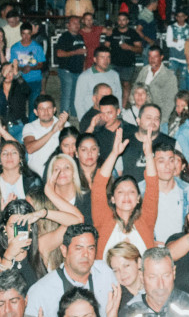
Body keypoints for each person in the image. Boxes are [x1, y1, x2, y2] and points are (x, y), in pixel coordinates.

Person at [25, 224, 118, 317]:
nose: (86, 254)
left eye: (91, 248)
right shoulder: (41, 291)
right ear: (64, 250)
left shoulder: (106, 273)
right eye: (79, 248)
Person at [92, 128, 158, 259]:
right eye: (120, 192)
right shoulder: (104, 219)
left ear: (138, 198)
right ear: (113, 199)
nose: (126, 196)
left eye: (132, 192)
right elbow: (98, 185)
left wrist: (149, 154)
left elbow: (153, 186)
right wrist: (114, 154)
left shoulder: (146, 219)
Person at [120, 247, 189, 316]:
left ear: (174, 273)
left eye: (166, 275)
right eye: (153, 277)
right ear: (141, 277)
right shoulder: (130, 311)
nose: (161, 285)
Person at [23, 95, 70, 176]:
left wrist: (62, 129)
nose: (46, 112)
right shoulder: (29, 127)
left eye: (49, 108)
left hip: (60, 173)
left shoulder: (65, 125)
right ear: (35, 112)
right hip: (36, 175)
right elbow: (30, 148)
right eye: (42, 109)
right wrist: (52, 131)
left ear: (54, 110)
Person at [75, 47, 122, 123]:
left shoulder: (114, 75)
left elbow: (118, 97)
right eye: (102, 57)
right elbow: (79, 101)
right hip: (93, 118)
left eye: (108, 57)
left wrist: (118, 116)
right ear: (95, 59)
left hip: (110, 119)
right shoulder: (85, 76)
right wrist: (83, 121)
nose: (106, 60)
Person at [9, 23, 45, 119]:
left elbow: (41, 64)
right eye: (24, 34)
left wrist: (31, 68)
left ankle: (31, 126)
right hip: (20, 81)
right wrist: (22, 68)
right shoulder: (15, 48)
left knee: (33, 106)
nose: (26, 36)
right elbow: (13, 65)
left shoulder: (37, 47)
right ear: (20, 33)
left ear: (31, 34)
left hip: (35, 80)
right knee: (20, 106)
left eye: (28, 34)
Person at [134, 47, 178, 125]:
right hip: (140, 115)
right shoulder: (144, 71)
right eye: (150, 56)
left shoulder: (169, 76)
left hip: (159, 119)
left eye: (155, 57)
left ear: (161, 57)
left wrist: (161, 120)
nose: (152, 59)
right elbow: (135, 89)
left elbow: (170, 102)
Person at [56, 16, 86, 118]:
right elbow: (59, 53)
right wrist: (75, 52)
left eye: (78, 23)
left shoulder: (80, 37)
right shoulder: (64, 37)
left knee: (75, 93)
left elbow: (82, 54)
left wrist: (83, 66)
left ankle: (74, 113)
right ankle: (63, 116)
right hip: (66, 70)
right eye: (74, 23)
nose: (77, 25)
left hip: (77, 70)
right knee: (67, 94)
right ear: (68, 25)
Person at [105, 242, 142, 311]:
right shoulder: (117, 300)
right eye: (116, 270)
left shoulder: (155, 285)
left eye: (126, 266)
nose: (122, 273)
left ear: (139, 263)